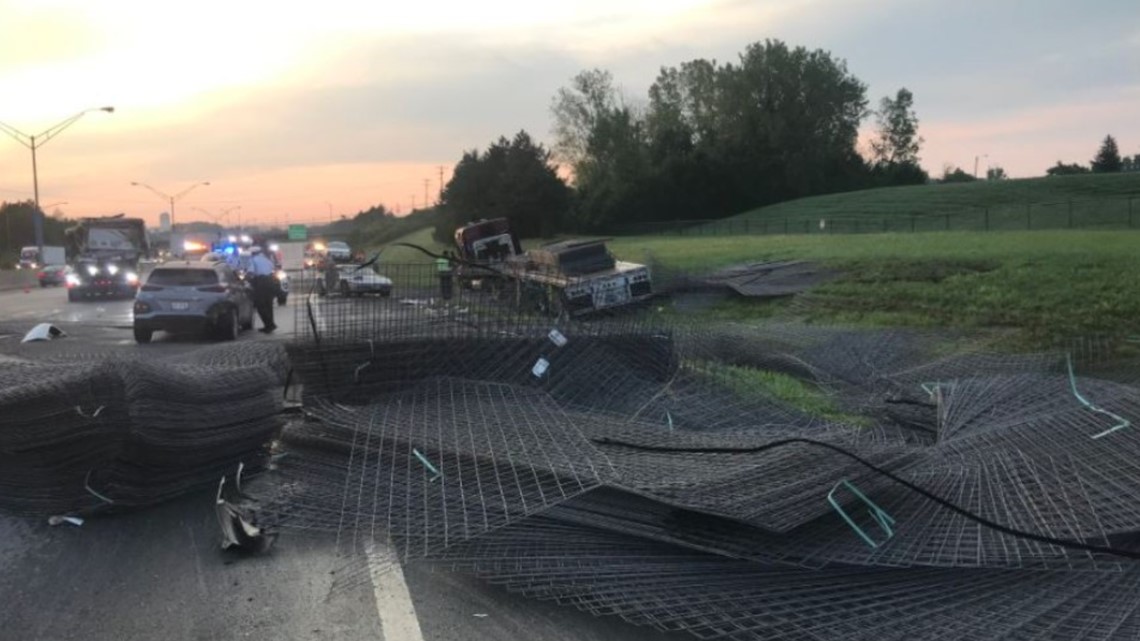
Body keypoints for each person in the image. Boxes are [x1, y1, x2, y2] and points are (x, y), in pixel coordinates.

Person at [248, 246, 277, 333]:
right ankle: (270, 325)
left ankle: (269, 325)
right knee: (269, 304)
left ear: (252, 253)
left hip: (260, 282)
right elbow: (272, 267)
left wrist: (247, 278)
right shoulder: (265, 259)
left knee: (260, 305)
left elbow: (251, 272)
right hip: (270, 281)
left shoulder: (252, 260)